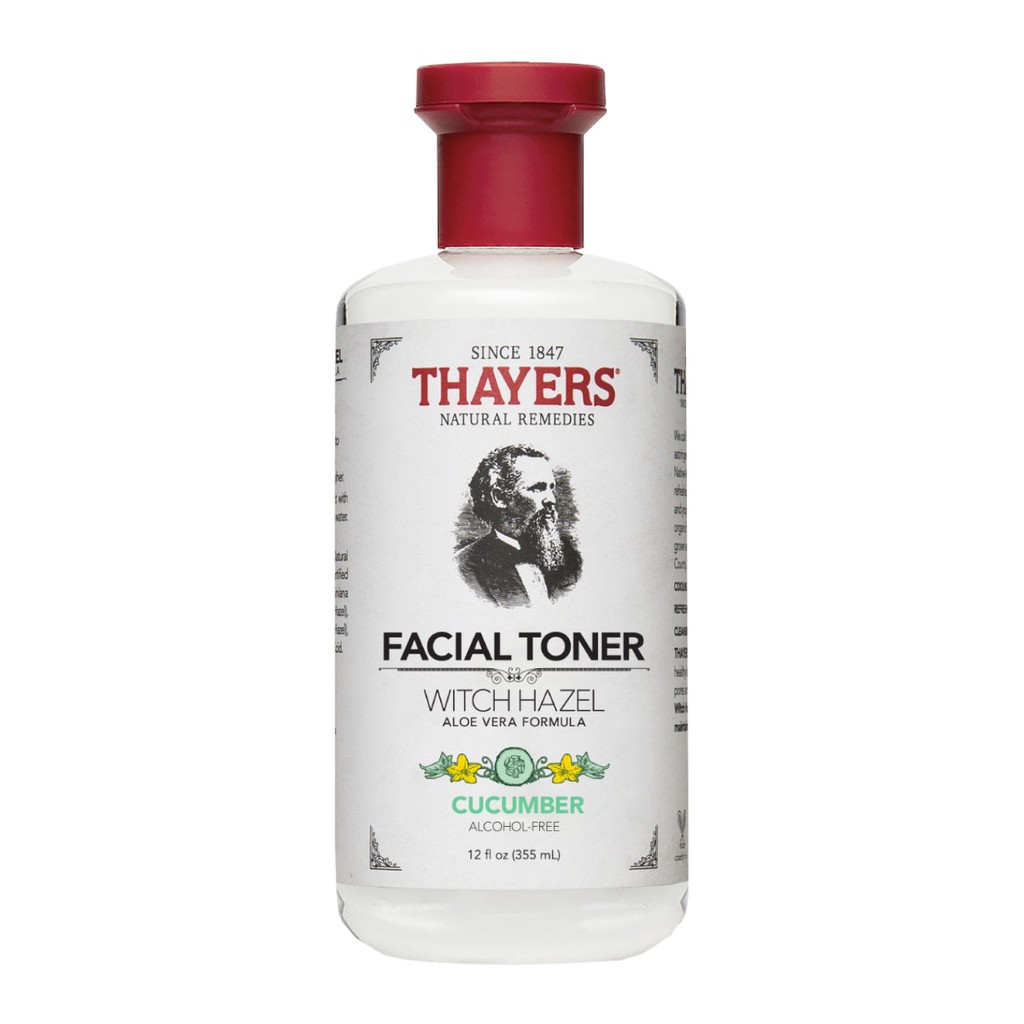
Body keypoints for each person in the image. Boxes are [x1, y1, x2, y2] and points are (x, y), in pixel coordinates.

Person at [456, 445, 582, 608]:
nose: (551, 500)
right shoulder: (466, 567)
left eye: (551, 488)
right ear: (499, 497)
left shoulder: (570, 557)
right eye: (537, 488)